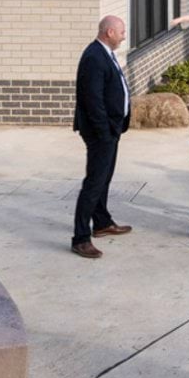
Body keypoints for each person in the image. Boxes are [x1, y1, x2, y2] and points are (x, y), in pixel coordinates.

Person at [71, 15, 133, 258]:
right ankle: (80, 237)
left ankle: (102, 222)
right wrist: (104, 130)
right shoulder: (94, 57)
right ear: (109, 32)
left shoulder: (105, 52)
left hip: (112, 129)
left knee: (104, 177)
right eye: (122, 32)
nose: (124, 36)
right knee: (94, 182)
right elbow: (93, 99)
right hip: (101, 132)